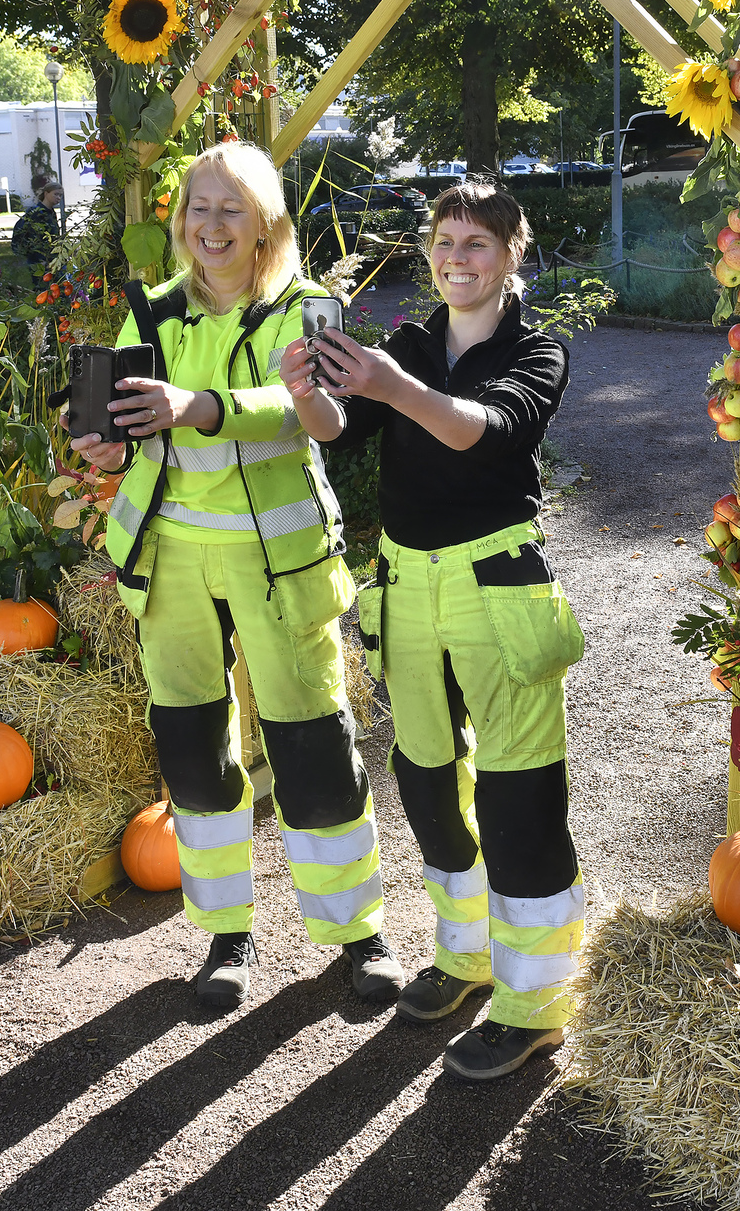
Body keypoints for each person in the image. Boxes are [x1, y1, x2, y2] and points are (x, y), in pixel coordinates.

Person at [64, 141, 403, 1010]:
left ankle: (356, 933)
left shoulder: (310, 308)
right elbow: (139, 419)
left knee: (312, 746)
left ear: (267, 225)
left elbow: (302, 415)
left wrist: (198, 407)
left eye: (231, 209)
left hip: (277, 565)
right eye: (197, 208)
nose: (210, 225)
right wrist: (111, 437)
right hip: (171, 561)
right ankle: (225, 933)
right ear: (180, 223)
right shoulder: (155, 311)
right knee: (194, 753)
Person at [290, 179, 586, 1081]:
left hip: (496, 583)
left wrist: (389, 382)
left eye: (478, 245)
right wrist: (308, 392)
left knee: (517, 796)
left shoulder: (538, 352)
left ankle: (534, 1001)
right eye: (445, 241)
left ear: (512, 255)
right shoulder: (412, 341)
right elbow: (340, 434)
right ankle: (464, 960)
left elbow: (481, 433)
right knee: (424, 781)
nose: (457, 258)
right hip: (404, 585)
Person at [12, 183, 64, 267]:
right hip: (38, 262)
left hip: (50, 259)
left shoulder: (50, 213)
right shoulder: (37, 213)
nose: (58, 197)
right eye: (56, 194)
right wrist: (40, 261)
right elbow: (33, 238)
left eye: (60, 195)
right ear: (46, 193)